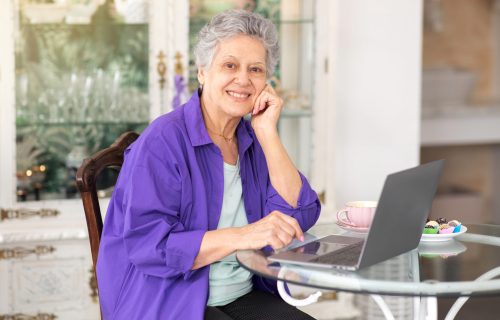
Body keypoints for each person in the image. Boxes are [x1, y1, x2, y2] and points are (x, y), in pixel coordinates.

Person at [97, 9, 321, 320]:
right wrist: (244, 235)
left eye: (255, 69)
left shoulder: (251, 138)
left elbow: (300, 214)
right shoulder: (164, 140)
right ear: (203, 71)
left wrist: (268, 133)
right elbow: (150, 247)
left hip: (241, 295)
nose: (242, 79)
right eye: (230, 65)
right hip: (169, 302)